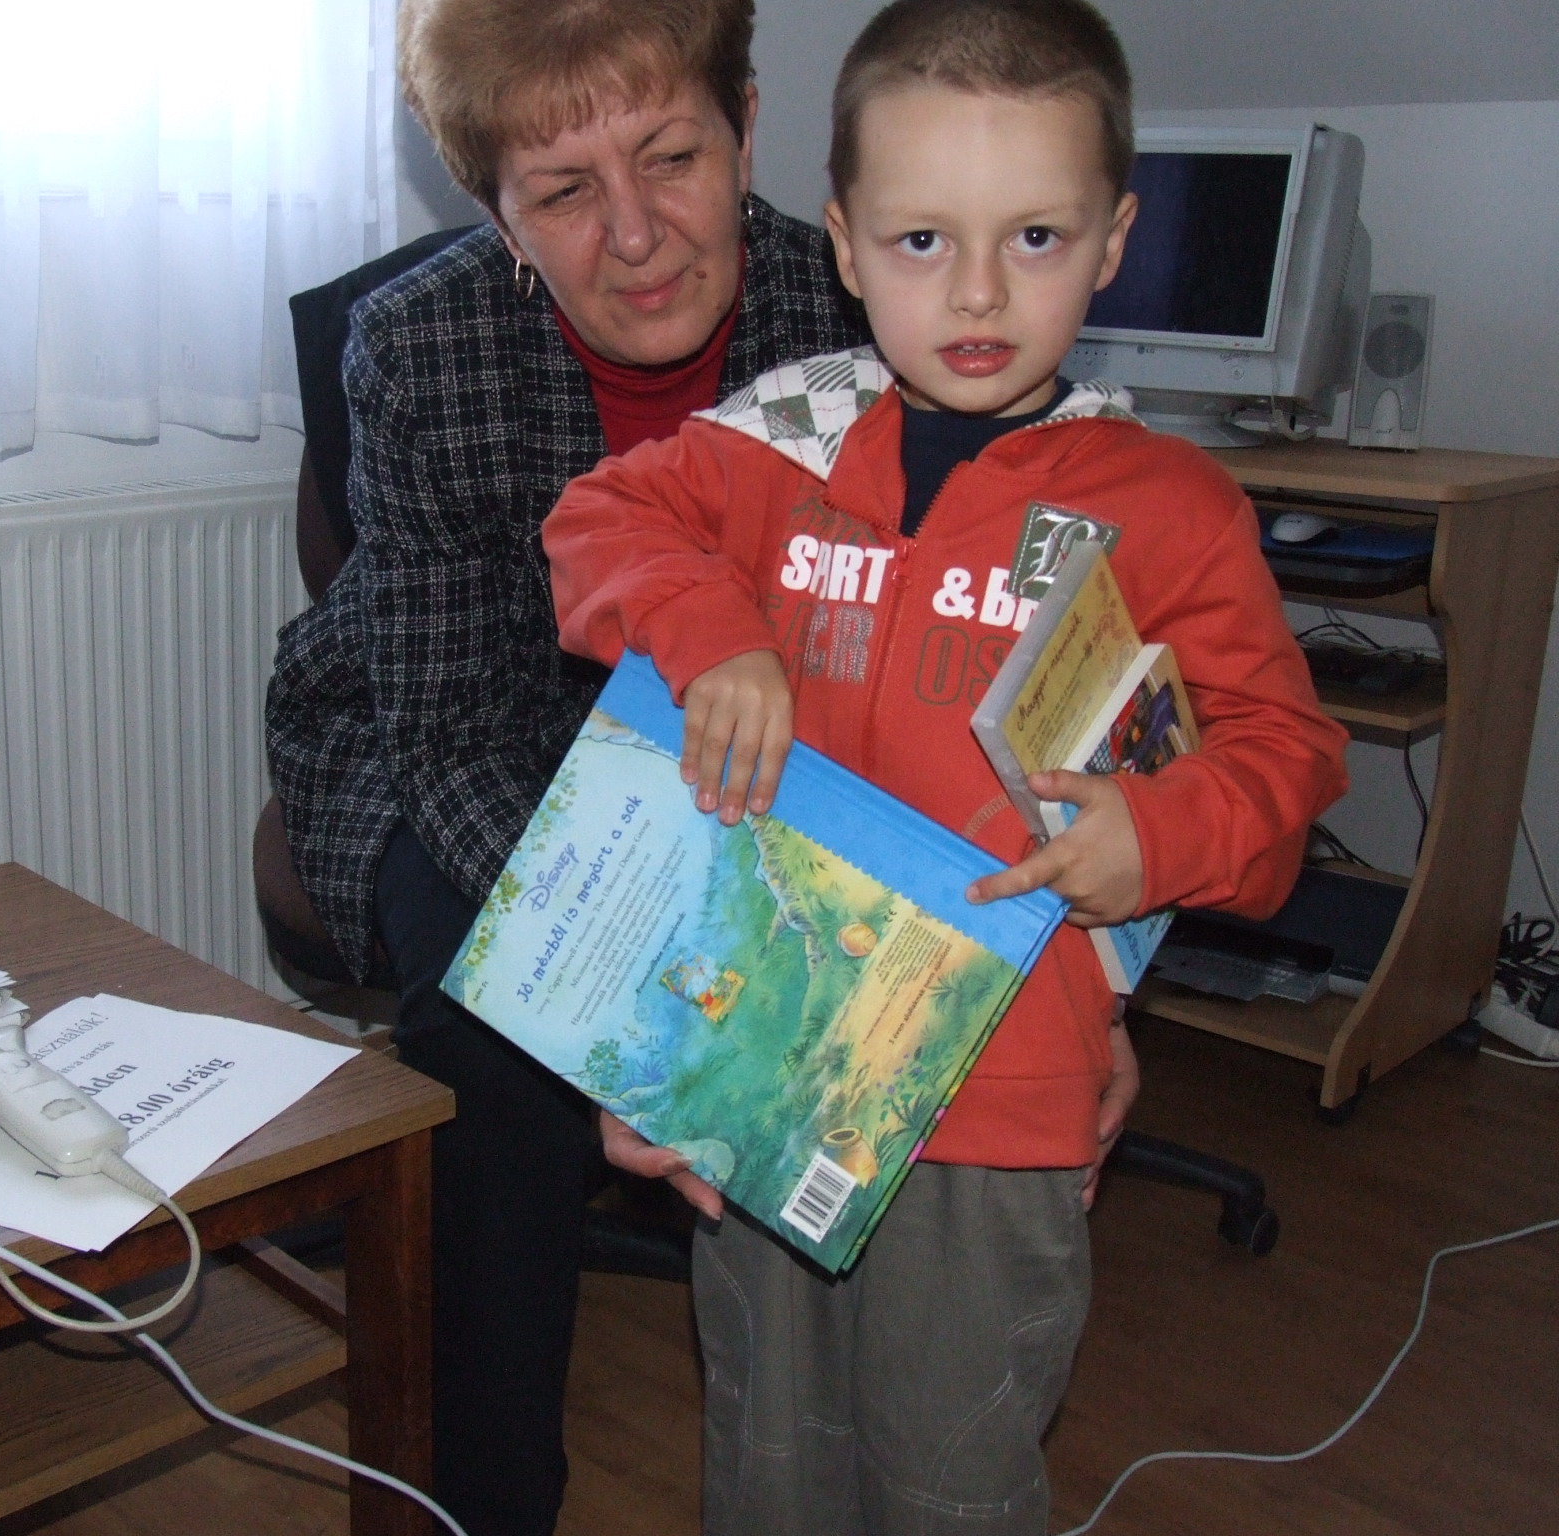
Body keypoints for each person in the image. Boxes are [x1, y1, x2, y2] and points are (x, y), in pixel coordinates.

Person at [541, 1, 1351, 1530]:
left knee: (951, 1483)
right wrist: (711, 633)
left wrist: (1162, 832)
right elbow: (596, 522)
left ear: (1112, 243)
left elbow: (1287, 756)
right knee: (767, 1468)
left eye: (1035, 237)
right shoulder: (774, 447)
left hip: (997, 1102)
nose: (978, 290)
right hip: (766, 1056)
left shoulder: (1171, 507)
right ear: (845, 246)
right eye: (923, 242)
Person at [263, 3, 873, 1532]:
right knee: (497, 1028)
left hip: (756, 739)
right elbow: (454, 732)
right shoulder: (424, 342)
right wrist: (635, 980)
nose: (638, 236)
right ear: (497, 216)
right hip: (458, 738)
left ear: (746, 124)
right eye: (563, 192)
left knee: (855, 998)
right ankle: (485, 1504)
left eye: (672, 158)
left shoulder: (861, 303)